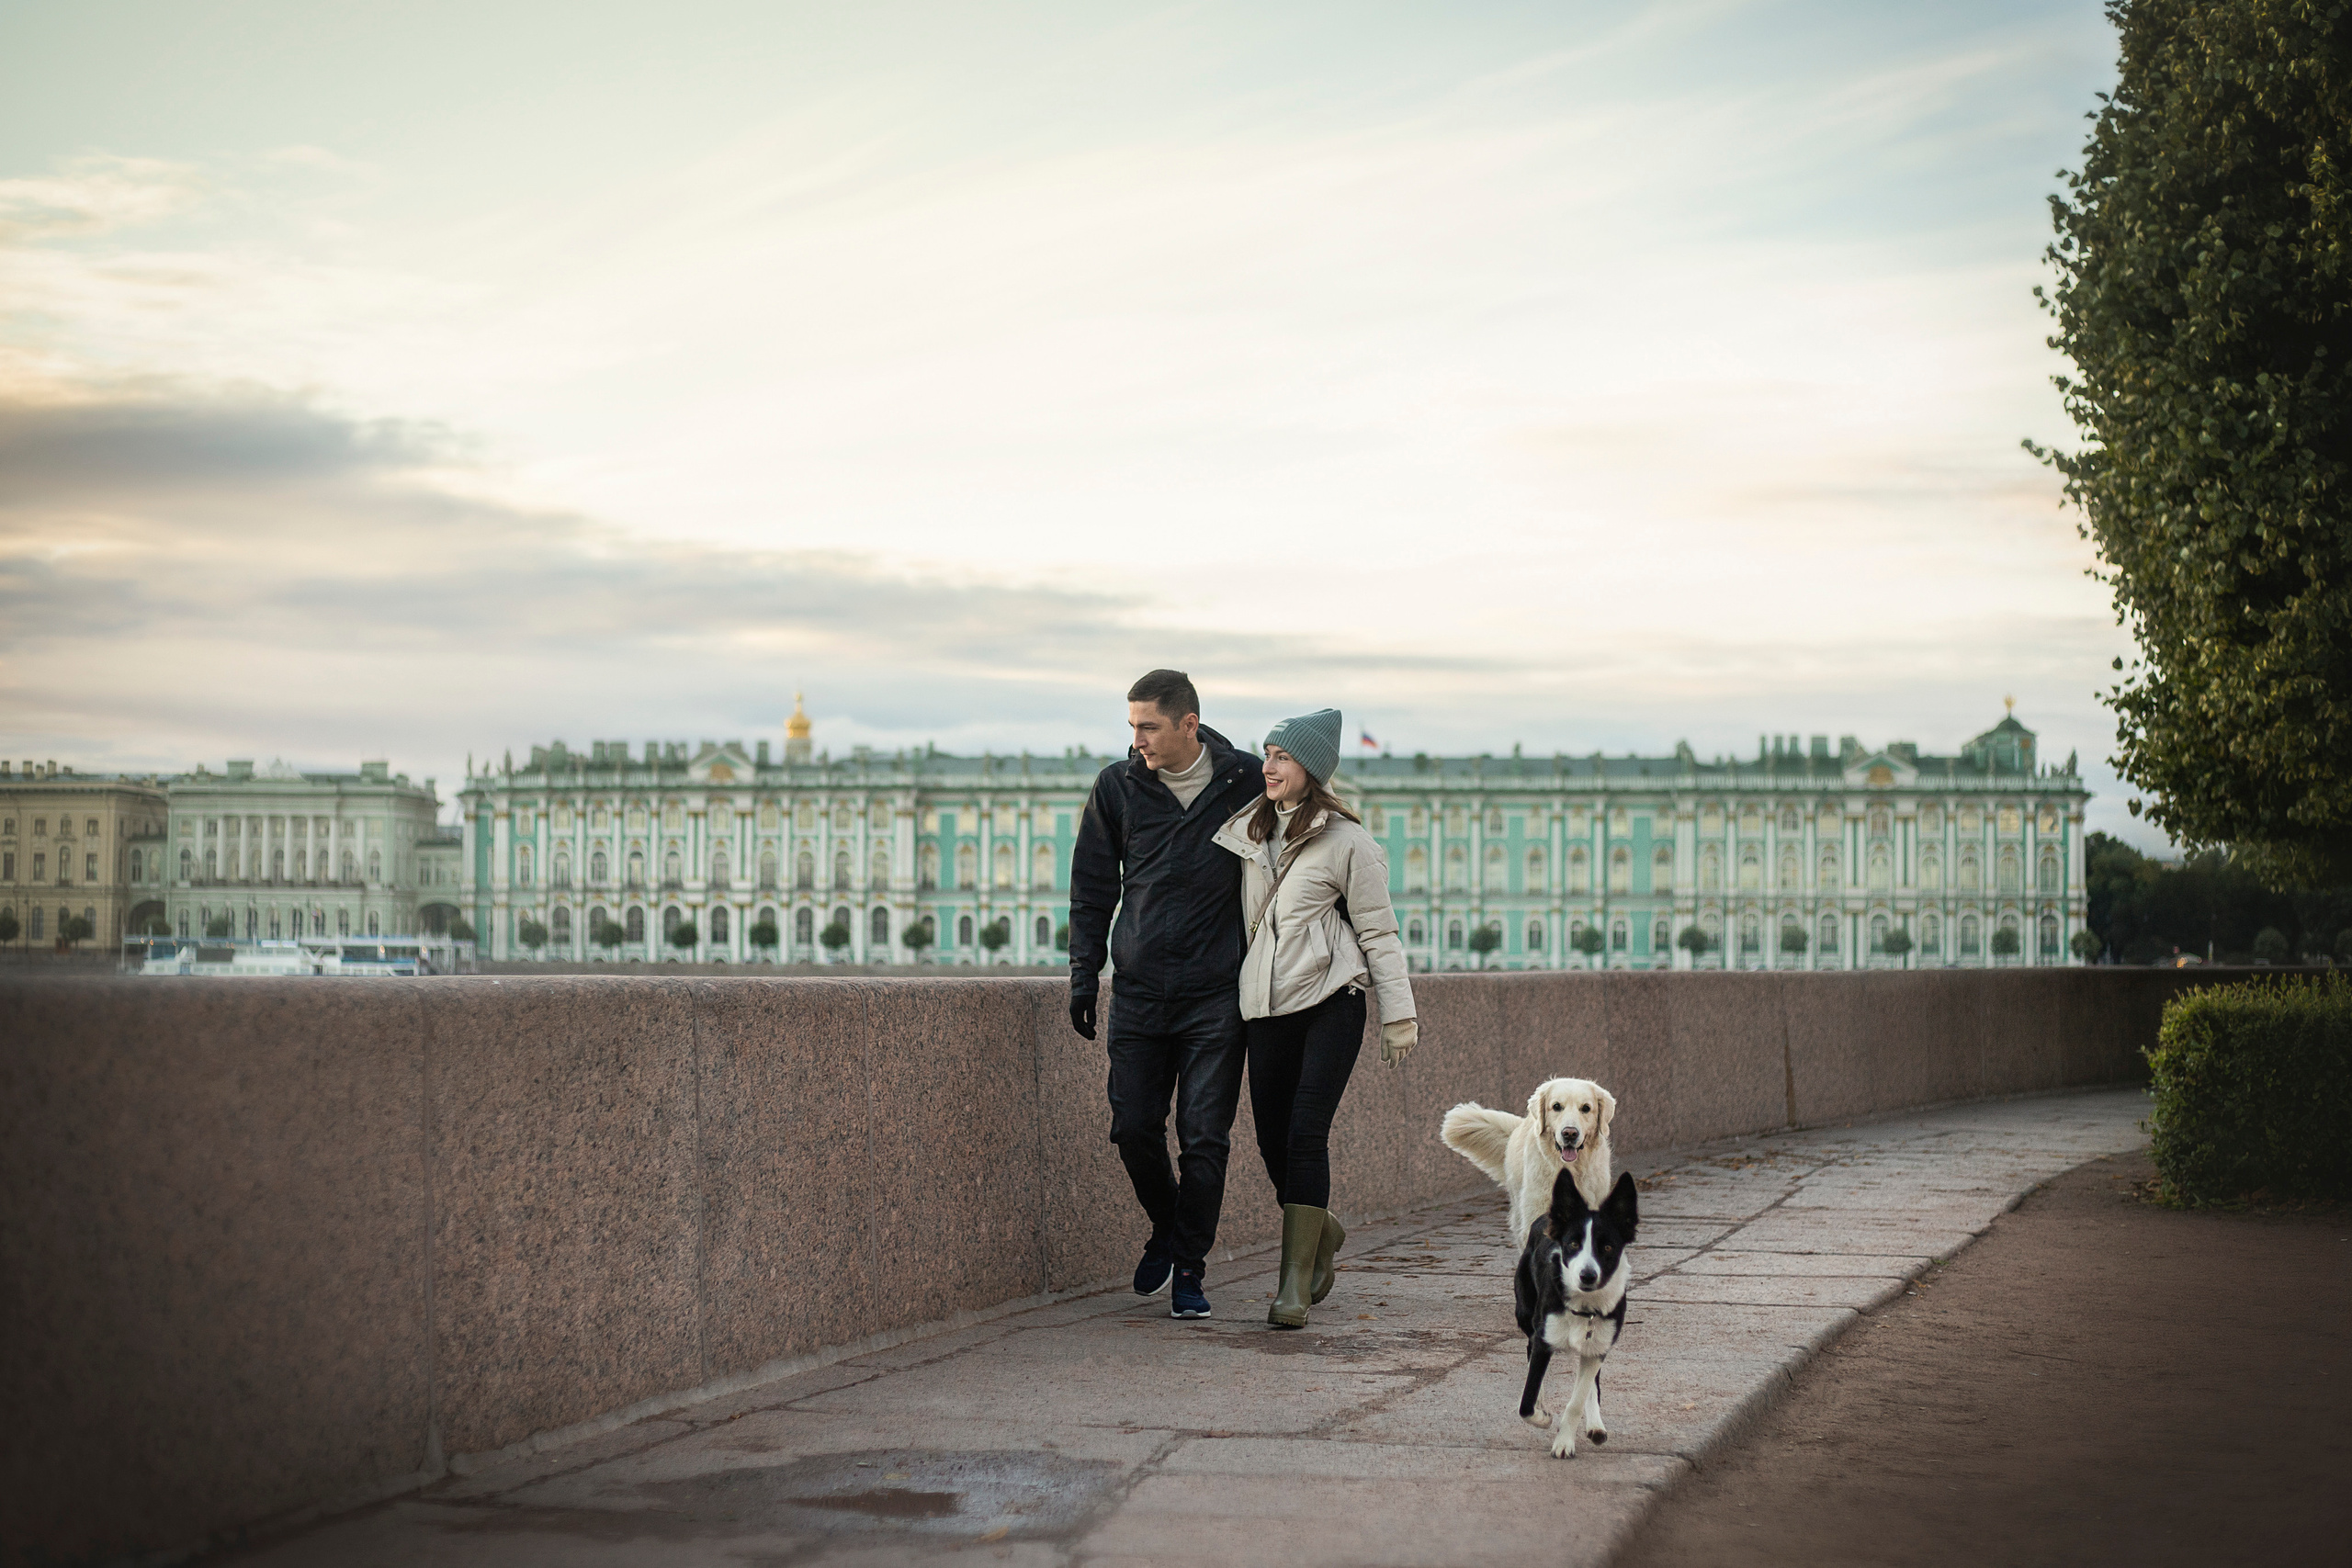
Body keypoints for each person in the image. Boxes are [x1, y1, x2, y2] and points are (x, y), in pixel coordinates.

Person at [1068, 669, 1267, 1319]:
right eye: (1131, 726)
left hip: (1216, 994)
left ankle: (1190, 1265)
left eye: (1148, 726)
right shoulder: (1118, 787)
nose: (1137, 740)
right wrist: (1082, 974)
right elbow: (1094, 887)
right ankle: (1167, 1227)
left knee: (1205, 1137)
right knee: (1131, 1127)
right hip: (1140, 992)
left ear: (1188, 724)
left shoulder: (1243, 780)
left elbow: (1299, 851)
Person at [1211, 708, 1417, 1329]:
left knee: (1305, 1132)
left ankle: (1293, 1282)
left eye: (1282, 756)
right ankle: (1321, 1227)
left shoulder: (1349, 841)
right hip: (1267, 1005)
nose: (1268, 766)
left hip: (1333, 999)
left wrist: (1398, 1014)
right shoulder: (1245, 833)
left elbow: (1379, 931)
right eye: (1267, 753)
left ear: (1312, 771)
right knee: (1271, 1139)